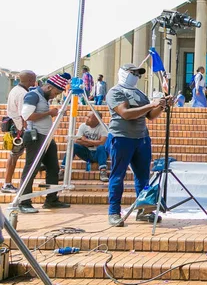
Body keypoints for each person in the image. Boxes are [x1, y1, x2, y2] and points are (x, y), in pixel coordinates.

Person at [105, 64, 172, 226]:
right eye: (133, 73)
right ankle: (114, 212)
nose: (136, 76)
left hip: (141, 138)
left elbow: (150, 116)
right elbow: (125, 114)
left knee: (143, 177)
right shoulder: (116, 92)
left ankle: (143, 210)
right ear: (123, 74)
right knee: (117, 175)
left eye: (138, 74)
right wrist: (151, 104)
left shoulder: (139, 93)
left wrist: (161, 105)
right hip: (121, 137)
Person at [19, 73, 72, 213]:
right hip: (35, 137)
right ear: (49, 87)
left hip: (46, 137)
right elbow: (27, 115)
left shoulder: (43, 96)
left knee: (53, 168)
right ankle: (23, 202)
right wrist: (49, 113)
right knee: (31, 169)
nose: (55, 96)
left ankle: (51, 199)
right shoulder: (33, 96)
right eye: (55, 92)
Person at [3, 70, 37, 193]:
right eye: (34, 79)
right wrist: (26, 129)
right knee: (14, 156)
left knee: (14, 155)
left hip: (15, 126)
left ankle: (7, 183)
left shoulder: (15, 89)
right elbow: (24, 115)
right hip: (19, 129)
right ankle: (7, 184)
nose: (35, 81)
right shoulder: (23, 94)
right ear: (29, 80)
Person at [58, 111, 109, 182]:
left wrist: (85, 140)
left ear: (97, 119)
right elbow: (77, 140)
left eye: (89, 117)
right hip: (86, 152)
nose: (86, 119)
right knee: (74, 145)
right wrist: (92, 143)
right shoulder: (83, 126)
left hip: (99, 154)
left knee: (101, 147)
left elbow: (102, 142)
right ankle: (63, 170)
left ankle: (103, 171)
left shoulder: (104, 127)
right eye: (87, 116)